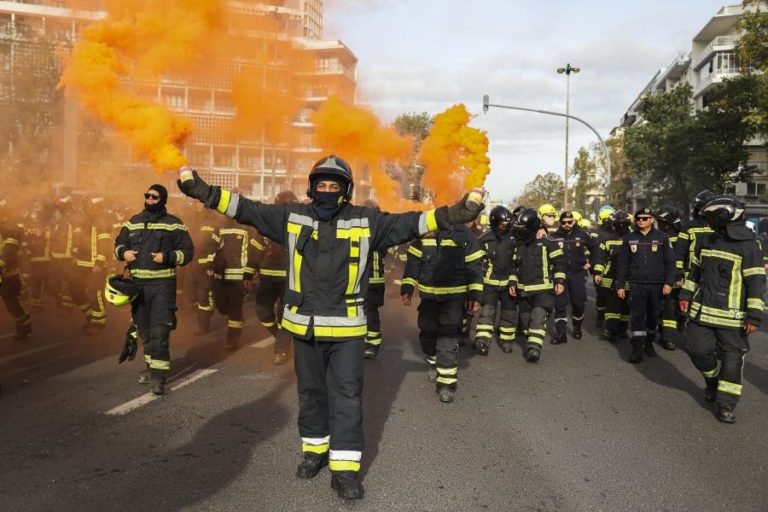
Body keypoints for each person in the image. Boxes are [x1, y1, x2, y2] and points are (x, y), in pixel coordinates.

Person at [177, 155, 483, 500]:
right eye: (321, 185)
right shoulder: (290, 217)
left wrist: (461, 211)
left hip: (347, 332)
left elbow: (416, 222)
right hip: (304, 328)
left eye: (333, 186)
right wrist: (198, 188)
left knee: (347, 397)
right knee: (311, 394)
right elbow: (243, 208)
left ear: (345, 190)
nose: (326, 191)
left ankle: (345, 470)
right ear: (312, 188)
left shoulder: (367, 221)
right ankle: (314, 451)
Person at [679, 196, 765, 423]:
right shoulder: (706, 240)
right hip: (702, 311)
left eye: (709, 217)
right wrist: (686, 294)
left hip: (733, 318)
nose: (706, 222)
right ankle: (712, 381)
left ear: (724, 217)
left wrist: (754, 315)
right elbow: (695, 273)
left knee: (732, 360)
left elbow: (756, 283)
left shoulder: (749, 246)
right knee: (697, 351)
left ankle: (726, 404)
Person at [114, 184, 193, 395]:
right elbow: (118, 244)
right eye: (147, 195)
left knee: (159, 332)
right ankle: (152, 369)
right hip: (138, 288)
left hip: (162, 287)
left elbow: (187, 253)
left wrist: (166, 257)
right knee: (145, 332)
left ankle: (158, 379)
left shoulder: (174, 224)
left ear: (162, 199)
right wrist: (124, 253)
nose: (149, 199)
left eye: (154, 196)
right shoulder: (132, 222)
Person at [401, 225, 483, 402]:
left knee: (447, 338)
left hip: (454, 297)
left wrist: (475, 294)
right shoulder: (424, 235)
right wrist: (407, 288)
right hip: (429, 297)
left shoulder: (464, 236)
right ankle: (433, 361)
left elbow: (474, 267)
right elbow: (413, 265)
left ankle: (446, 384)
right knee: (427, 331)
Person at [614, 207, 677, 363]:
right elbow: (622, 264)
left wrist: (669, 282)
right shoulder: (629, 239)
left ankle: (649, 342)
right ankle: (637, 348)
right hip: (636, 285)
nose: (641, 221)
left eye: (644, 218)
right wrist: (620, 285)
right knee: (637, 316)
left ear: (651, 220)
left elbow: (670, 262)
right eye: (638, 219)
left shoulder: (663, 237)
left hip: (657, 285)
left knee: (653, 316)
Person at [509, 208, 565, 362]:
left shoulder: (548, 242)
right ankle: (531, 340)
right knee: (527, 322)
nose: (519, 232)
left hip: (543, 290)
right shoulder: (516, 244)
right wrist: (513, 281)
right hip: (523, 291)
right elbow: (513, 266)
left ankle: (534, 349)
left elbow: (559, 262)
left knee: (538, 317)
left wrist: (559, 281)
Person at [252, 190, 297, 365]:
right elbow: (255, 248)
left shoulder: (301, 225)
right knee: (262, 311)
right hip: (268, 277)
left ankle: (281, 349)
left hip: (290, 278)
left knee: (285, 315)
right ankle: (281, 337)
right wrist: (249, 272)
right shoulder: (267, 224)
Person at [473, 205, 517, 354]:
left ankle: (507, 340)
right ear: (494, 222)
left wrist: (513, 281)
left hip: (508, 284)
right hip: (489, 284)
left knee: (509, 313)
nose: (505, 227)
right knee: (487, 312)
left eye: (508, 224)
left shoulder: (514, 238)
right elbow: (477, 264)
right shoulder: (483, 239)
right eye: (502, 224)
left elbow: (516, 261)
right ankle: (482, 341)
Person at [550, 210, 598, 344]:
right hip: (560, 274)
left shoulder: (582, 234)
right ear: (560, 223)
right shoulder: (554, 236)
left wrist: (590, 264)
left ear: (574, 222)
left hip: (577, 273)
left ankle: (577, 326)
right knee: (559, 304)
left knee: (578, 303)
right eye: (564, 222)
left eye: (569, 222)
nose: (566, 224)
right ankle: (561, 333)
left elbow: (595, 248)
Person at [594, 210, 631, 343]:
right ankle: (610, 330)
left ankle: (622, 328)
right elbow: (600, 258)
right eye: (618, 224)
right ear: (613, 226)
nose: (621, 227)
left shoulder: (634, 240)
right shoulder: (607, 240)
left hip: (628, 278)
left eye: (624, 224)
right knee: (611, 305)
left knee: (626, 305)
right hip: (610, 277)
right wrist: (598, 273)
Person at [361, 199, 388, 360]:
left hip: (373, 281)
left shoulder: (379, 231)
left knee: (370, 313)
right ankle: (360, 340)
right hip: (356, 280)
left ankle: (372, 343)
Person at [655, 205, 685, 350]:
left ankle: (668, 337)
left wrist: (679, 274)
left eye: (661, 222)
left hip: (675, 278)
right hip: (659, 276)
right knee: (662, 307)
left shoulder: (680, 235)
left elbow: (680, 257)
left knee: (670, 307)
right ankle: (664, 334)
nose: (658, 225)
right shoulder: (659, 235)